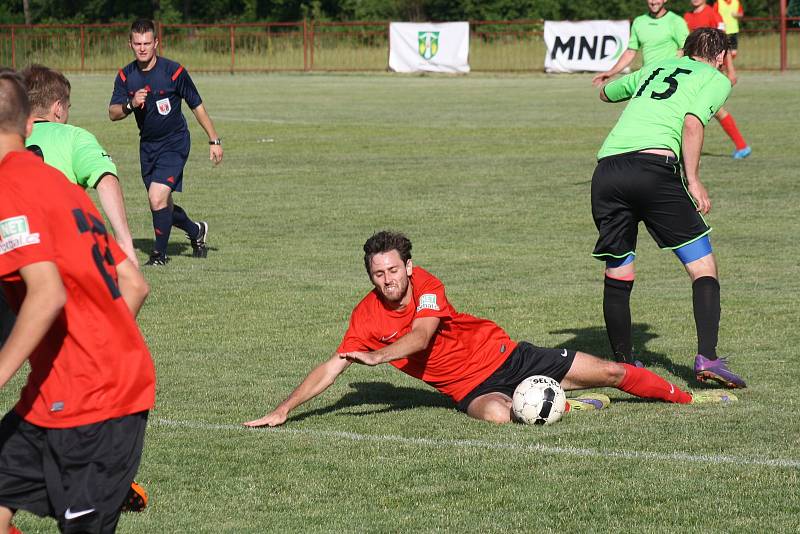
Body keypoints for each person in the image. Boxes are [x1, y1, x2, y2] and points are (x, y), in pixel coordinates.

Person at [244, 231, 734, 428]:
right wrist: (284, 409)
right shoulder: (365, 315)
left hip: (506, 356)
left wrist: (379, 357)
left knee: (610, 370)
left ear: (409, 267)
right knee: (500, 418)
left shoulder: (427, 285)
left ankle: (689, 399)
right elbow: (332, 366)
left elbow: (422, 335)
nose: (388, 279)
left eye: (393, 270)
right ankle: (564, 401)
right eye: (378, 274)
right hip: (467, 387)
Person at [0, 70, 156, 533]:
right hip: (62, 394)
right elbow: (134, 284)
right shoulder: (63, 188)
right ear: (30, 126)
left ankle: (100, 481)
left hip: (99, 410)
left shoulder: (8, 187)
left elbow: (46, 293)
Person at [591, 28, 746, 389]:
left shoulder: (657, 67)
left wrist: (627, 82)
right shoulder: (715, 77)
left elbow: (605, 93)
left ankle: (625, 364)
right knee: (702, 265)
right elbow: (692, 123)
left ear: (685, 51)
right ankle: (707, 358)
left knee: (620, 270)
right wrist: (693, 180)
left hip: (608, 171)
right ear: (721, 57)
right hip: (653, 171)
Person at [109, 18, 223, 266]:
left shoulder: (174, 71)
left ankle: (159, 256)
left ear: (156, 43)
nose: (142, 48)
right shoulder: (125, 76)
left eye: (147, 43)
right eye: (137, 43)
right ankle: (195, 231)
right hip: (148, 146)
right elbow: (112, 113)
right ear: (130, 44)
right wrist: (130, 104)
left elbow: (197, 106)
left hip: (175, 142)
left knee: (156, 198)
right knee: (162, 204)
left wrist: (214, 140)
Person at [23, 64, 139, 265]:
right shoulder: (74, 137)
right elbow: (106, 180)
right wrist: (125, 244)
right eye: (68, 108)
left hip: (13, 253)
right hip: (58, 254)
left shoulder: (8, 138)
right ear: (58, 108)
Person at [685, 1, 751, 159]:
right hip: (692, 72)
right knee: (714, 110)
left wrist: (731, 71)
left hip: (709, 73)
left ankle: (741, 146)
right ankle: (741, 146)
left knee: (710, 110)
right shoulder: (687, 17)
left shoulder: (712, 14)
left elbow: (724, 44)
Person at [592, 0, 689, 88]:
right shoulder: (639, 21)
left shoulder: (676, 21)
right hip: (646, 79)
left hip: (669, 80)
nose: (653, 2)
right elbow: (630, 51)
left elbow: (686, 50)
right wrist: (610, 73)